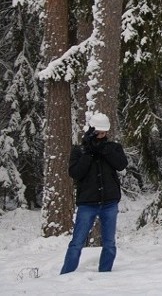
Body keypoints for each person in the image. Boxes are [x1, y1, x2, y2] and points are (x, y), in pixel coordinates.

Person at [60, 112, 128, 274]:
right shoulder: (79, 150)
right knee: (77, 242)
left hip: (109, 202)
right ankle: (65, 276)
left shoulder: (113, 148)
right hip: (87, 203)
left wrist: (104, 150)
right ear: (91, 130)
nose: (100, 136)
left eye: (103, 133)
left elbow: (121, 165)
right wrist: (89, 152)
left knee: (109, 243)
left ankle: (104, 274)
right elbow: (75, 173)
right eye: (97, 132)